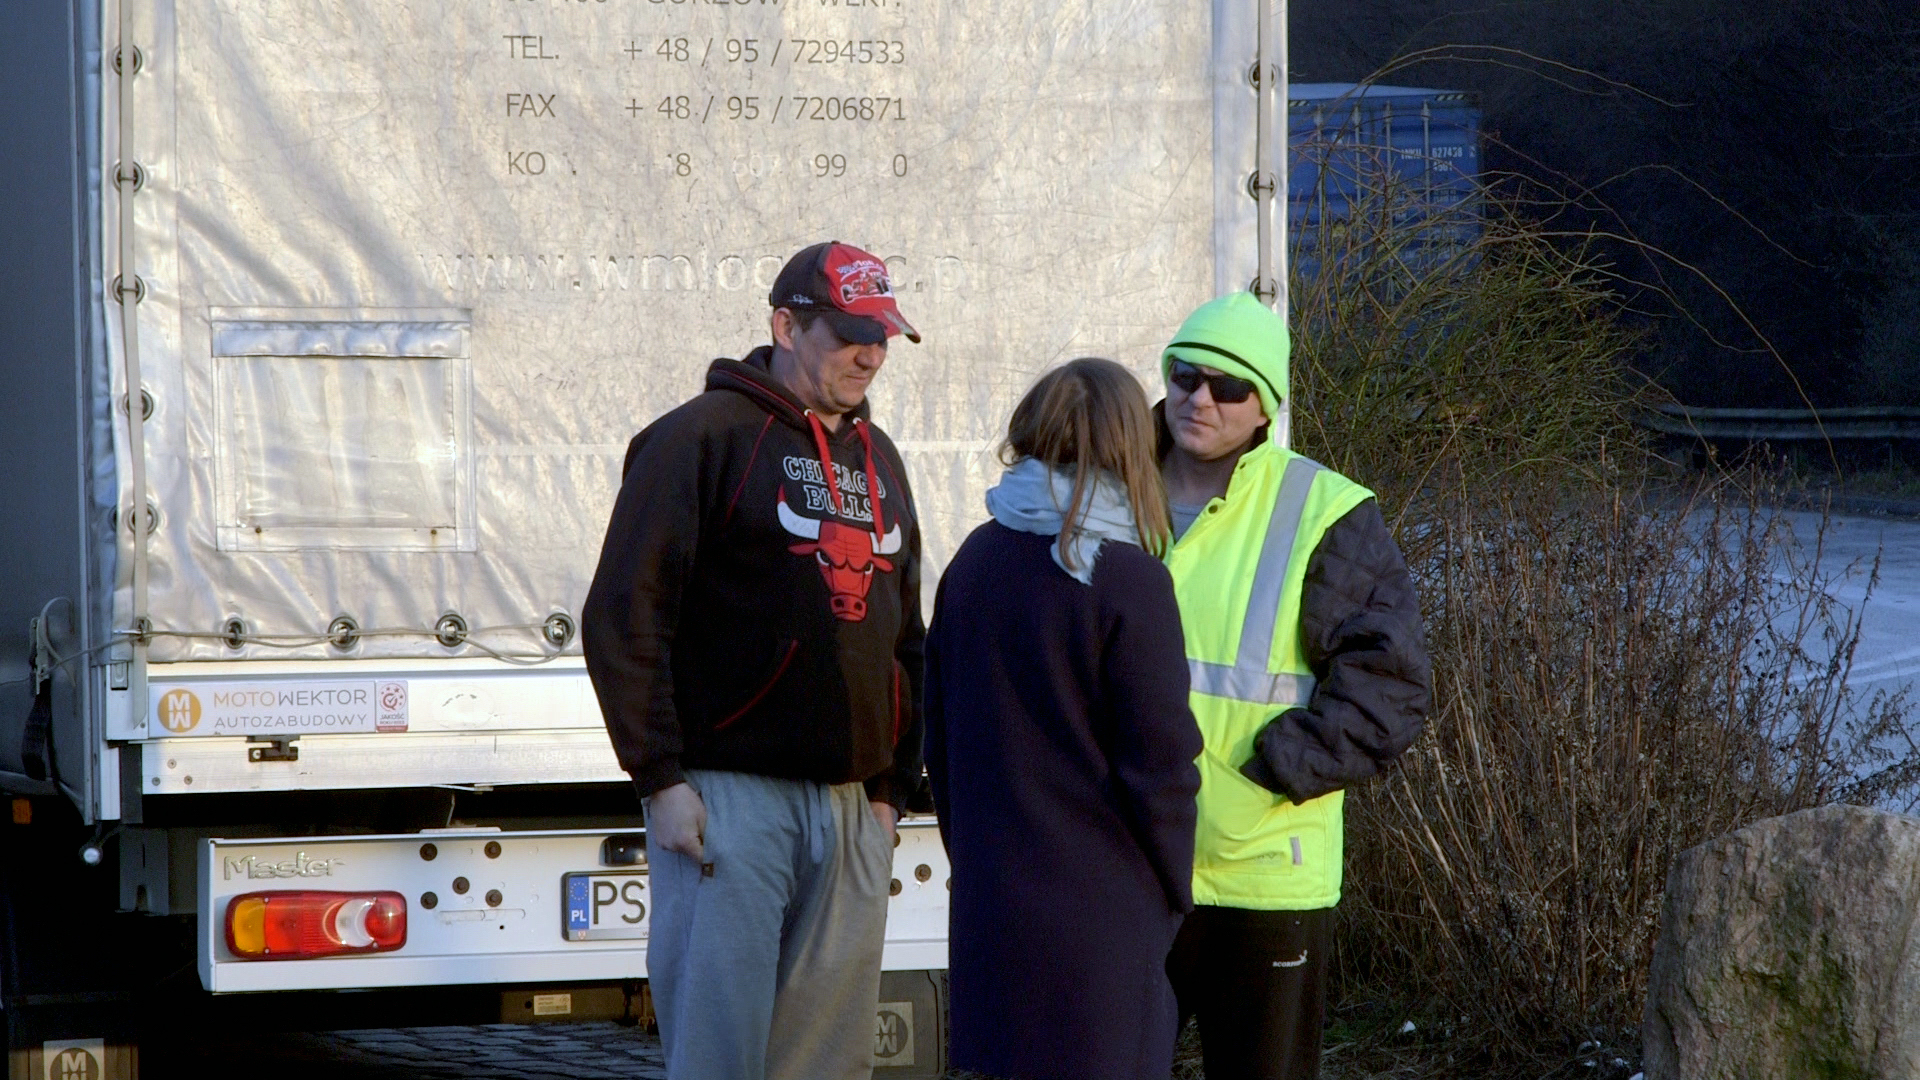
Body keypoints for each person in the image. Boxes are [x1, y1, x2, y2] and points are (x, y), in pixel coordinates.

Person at [581, 241, 925, 1080]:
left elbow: (906, 635)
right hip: (729, 807)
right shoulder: (697, 439)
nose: (869, 354)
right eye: (849, 333)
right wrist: (660, 779)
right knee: (720, 1058)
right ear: (785, 324)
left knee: (828, 1067)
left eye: (880, 335)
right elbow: (626, 614)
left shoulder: (880, 461)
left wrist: (889, 793)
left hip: (851, 810)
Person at [1157, 293, 1432, 1080]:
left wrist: (1270, 775)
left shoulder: (1324, 510)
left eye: (1227, 386)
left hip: (1263, 877)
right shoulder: (1107, 490)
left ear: (1265, 406)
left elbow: (1391, 685)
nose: (1198, 397)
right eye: (1184, 374)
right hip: (1133, 867)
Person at [924, 357, 1205, 1080]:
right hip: (1102, 928)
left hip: (993, 917)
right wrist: (1176, 890)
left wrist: (980, 863)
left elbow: (940, 744)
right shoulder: (1129, 578)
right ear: (1127, 447)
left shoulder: (973, 562)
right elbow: (1162, 767)